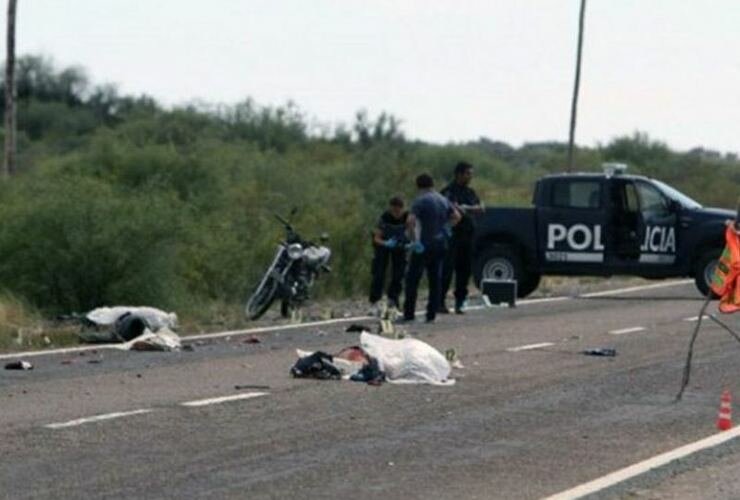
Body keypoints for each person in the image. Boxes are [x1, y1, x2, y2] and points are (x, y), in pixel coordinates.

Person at [402, 173, 461, 323]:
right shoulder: (443, 199)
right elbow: (457, 216)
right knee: (435, 280)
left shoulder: (420, 200)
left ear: (418, 186)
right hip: (440, 244)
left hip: (424, 244)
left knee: (412, 279)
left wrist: (414, 240)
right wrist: (446, 228)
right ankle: (431, 314)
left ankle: (409, 313)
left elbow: (410, 221)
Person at [440, 161, 484, 314]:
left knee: (464, 271)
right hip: (452, 236)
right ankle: (440, 302)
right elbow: (451, 208)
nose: (470, 177)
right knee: (447, 269)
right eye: (467, 174)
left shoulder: (470, 192)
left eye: (471, 174)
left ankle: (460, 302)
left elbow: (480, 208)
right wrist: (465, 209)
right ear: (459, 174)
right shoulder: (448, 191)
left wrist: (466, 208)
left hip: (468, 236)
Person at [369, 197, 409, 314]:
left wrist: (412, 244)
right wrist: (385, 243)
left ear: (402, 209)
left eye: (398, 211)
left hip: (400, 245)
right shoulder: (384, 218)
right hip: (383, 245)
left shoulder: (408, 217)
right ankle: (374, 301)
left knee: (399, 274)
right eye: (393, 210)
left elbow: (412, 232)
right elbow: (377, 238)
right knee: (379, 273)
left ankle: (393, 301)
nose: (395, 213)